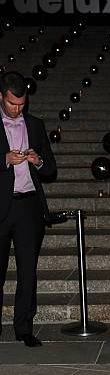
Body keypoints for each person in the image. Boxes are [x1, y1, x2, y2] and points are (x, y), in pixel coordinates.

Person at [0, 71, 56, 347]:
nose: (17, 108)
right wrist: (4, 159)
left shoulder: (35, 125)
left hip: (28, 207)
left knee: (27, 272)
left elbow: (51, 169)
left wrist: (38, 161)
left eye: (21, 104)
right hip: (2, 206)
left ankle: (24, 328)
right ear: (1, 97)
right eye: (12, 103)